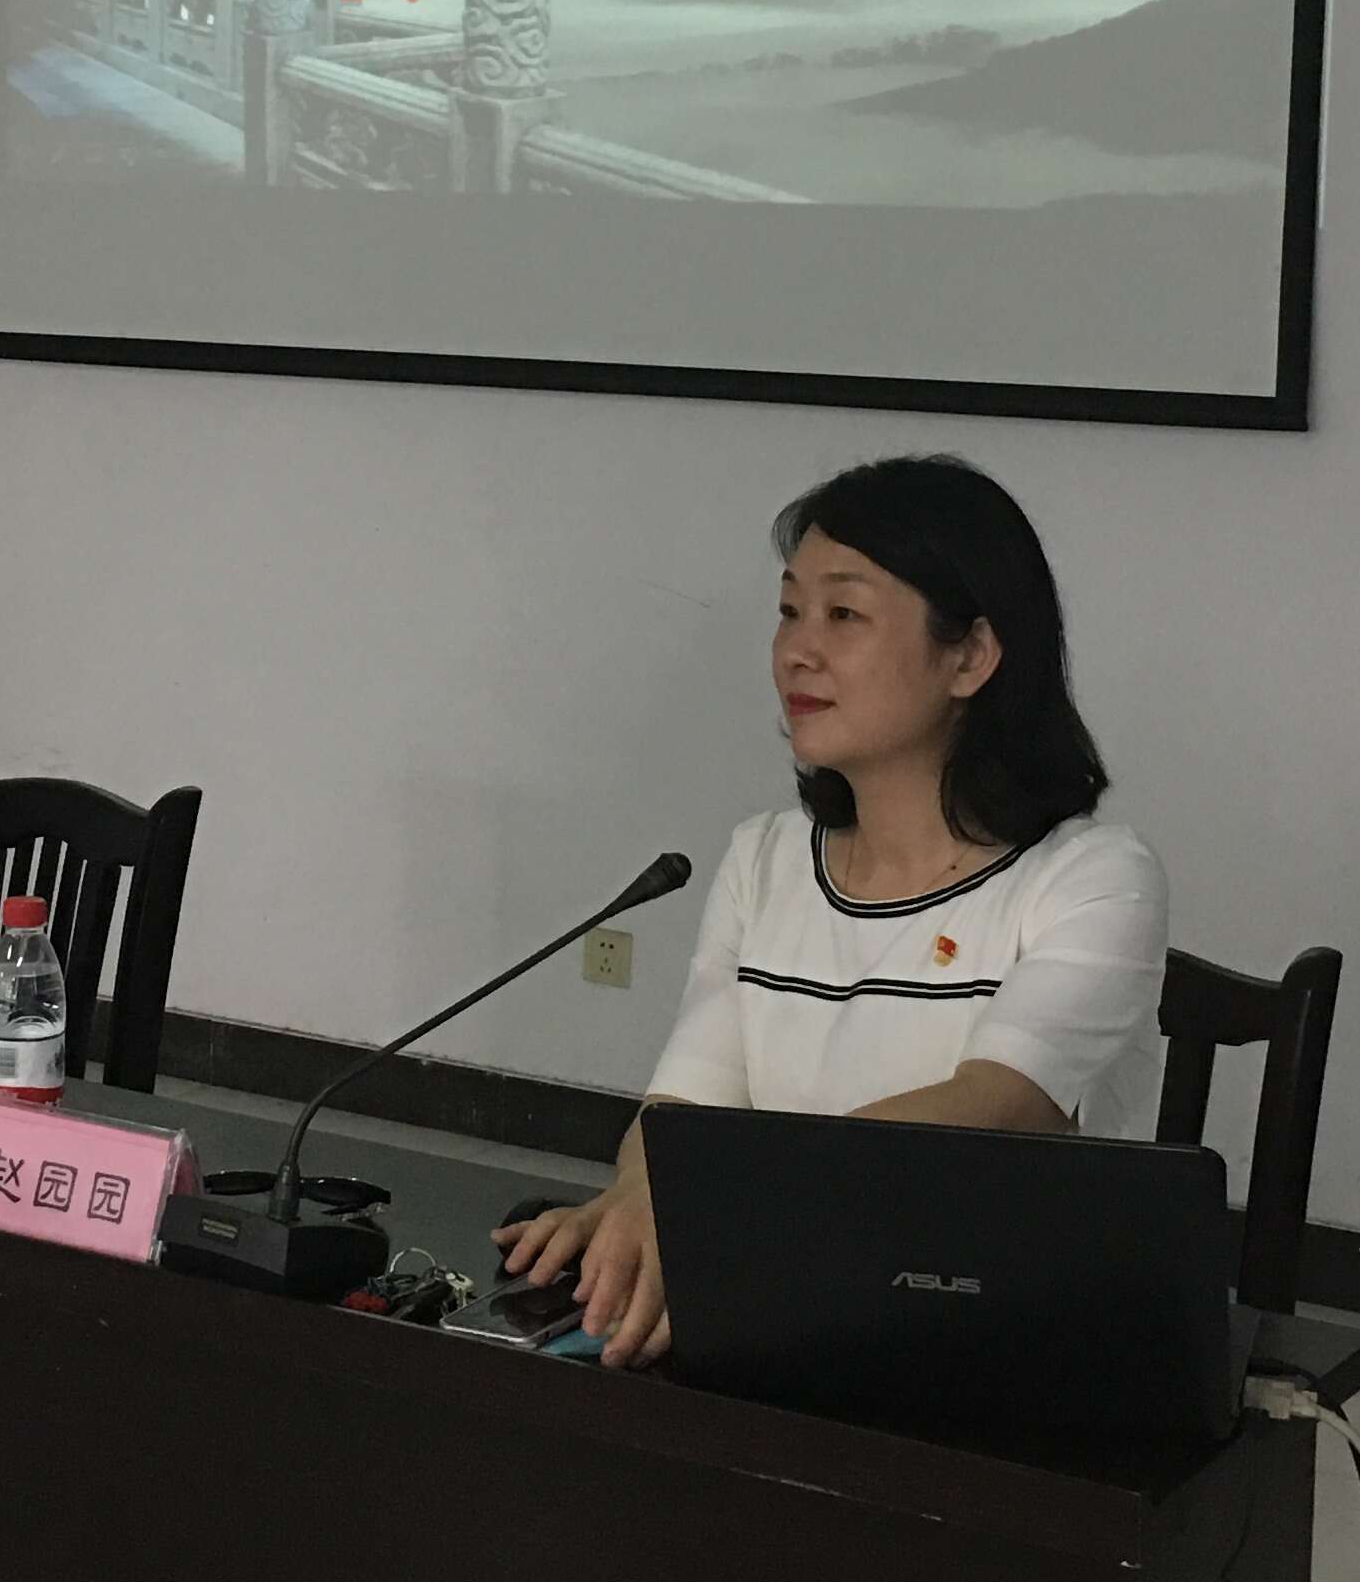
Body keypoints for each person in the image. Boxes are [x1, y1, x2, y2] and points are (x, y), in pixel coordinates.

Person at [496, 455, 1165, 1368]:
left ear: (971, 655)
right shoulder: (764, 859)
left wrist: (713, 1213)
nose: (796, 652)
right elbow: (683, 1109)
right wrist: (634, 1206)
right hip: (779, 1304)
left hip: (997, 1345)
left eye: (843, 615)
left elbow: (994, 1109)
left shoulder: (1095, 877)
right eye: (789, 611)